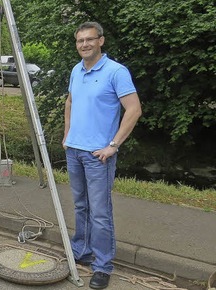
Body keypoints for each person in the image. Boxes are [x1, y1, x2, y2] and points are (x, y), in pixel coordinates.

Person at [63, 22, 142, 289]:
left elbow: (133, 110)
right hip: (75, 151)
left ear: (101, 41)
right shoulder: (76, 69)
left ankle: (103, 265)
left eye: (89, 40)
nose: (84, 44)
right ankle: (81, 252)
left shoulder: (116, 72)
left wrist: (114, 145)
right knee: (81, 206)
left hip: (99, 156)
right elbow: (70, 102)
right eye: (79, 40)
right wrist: (67, 136)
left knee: (100, 212)